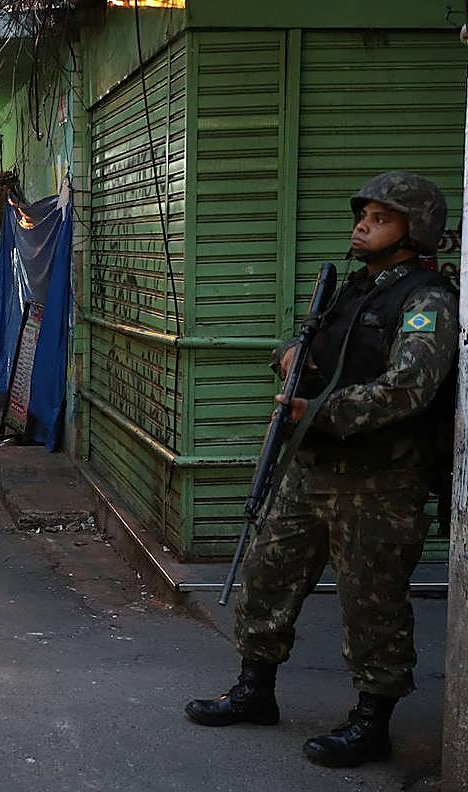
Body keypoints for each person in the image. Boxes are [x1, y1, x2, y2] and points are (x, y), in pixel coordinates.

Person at [184, 172, 458, 769]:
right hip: (311, 468)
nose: (363, 226)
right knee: (267, 575)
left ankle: (372, 722)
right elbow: (315, 345)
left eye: (381, 219)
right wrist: (289, 356)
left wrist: (319, 412)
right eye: (363, 215)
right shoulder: (352, 290)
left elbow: (410, 387)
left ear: (414, 232)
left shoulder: (427, 300)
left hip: (380, 481)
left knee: (372, 602)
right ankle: (255, 690)